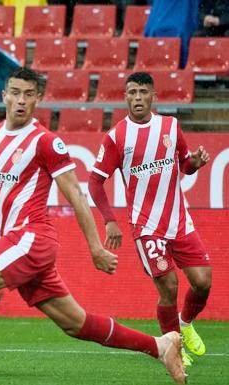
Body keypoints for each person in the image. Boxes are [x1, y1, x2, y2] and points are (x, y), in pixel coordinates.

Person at [0, 67, 186, 385]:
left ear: (38, 99)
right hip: (14, 241)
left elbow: (75, 195)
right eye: (15, 92)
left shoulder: (45, 141)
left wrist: (96, 246)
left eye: (29, 94)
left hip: (33, 236)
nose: (20, 100)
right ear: (4, 96)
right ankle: (160, 345)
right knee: (76, 324)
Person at [88, 72, 212, 368]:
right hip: (146, 227)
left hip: (179, 221)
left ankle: (186, 322)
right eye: (132, 92)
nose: (138, 97)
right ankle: (174, 347)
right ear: (125, 97)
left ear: (153, 95)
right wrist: (109, 220)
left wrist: (194, 163)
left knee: (203, 282)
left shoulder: (170, 126)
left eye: (143, 92)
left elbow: (184, 163)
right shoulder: (117, 136)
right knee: (168, 286)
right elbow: (95, 181)